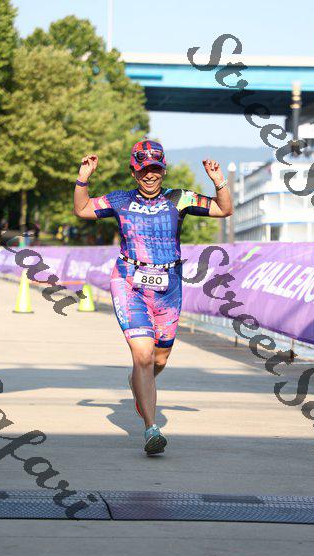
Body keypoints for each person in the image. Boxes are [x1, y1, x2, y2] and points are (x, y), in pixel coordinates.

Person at [73, 140, 232, 455]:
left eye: (156, 169)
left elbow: (223, 209)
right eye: (144, 169)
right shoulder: (121, 200)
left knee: (159, 359)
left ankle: (138, 380)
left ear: (163, 170)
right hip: (129, 282)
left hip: (169, 286)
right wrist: (83, 178)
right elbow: (82, 209)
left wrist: (219, 182)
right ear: (134, 172)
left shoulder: (179, 198)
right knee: (143, 355)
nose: (150, 175)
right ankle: (151, 429)